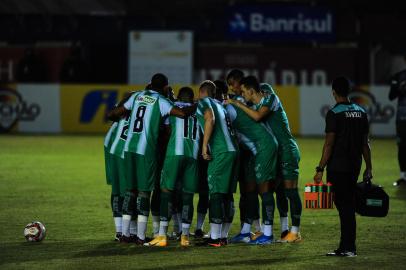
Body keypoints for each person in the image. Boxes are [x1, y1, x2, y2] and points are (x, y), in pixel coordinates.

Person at [107, 73, 195, 245]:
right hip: (145, 150)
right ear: (164, 87)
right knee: (144, 192)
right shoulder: (162, 101)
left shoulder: (137, 95)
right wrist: (196, 105)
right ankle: (140, 236)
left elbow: (114, 113)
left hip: (128, 148)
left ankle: (125, 234)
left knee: (129, 191)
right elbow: (182, 114)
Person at [226, 76, 302, 243]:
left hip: (287, 149)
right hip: (275, 151)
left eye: (244, 90)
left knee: (289, 192)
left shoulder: (270, 98)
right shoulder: (254, 103)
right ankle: (274, 230)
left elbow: (258, 116)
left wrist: (237, 104)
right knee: (270, 190)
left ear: (252, 90)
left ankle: (294, 231)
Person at [314, 76, 372, 257]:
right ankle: (345, 246)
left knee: (345, 206)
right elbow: (365, 144)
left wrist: (320, 168)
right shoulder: (361, 111)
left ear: (334, 92)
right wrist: (368, 167)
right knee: (347, 205)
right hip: (355, 165)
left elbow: (329, 144)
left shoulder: (334, 113)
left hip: (338, 167)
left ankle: (348, 248)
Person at [223, 84, 279, 245]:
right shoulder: (234, 106)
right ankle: (246, 231)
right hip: (258, 149)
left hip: (264, 147)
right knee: (251, 191)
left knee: (264, 190)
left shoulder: (230, 108)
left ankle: (267, 234)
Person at [146, 86, 201, 247]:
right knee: (188, 196)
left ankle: (162, 235)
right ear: (191, 98)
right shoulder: (198, 110)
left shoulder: (172, 108)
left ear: (179, 98)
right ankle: (185, 236)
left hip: (174, 154)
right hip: (193, 155)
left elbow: (166, 131)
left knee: (166, 192)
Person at [196, 80, 239, 247]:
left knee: (215, 194)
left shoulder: (204, 102)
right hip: (234, 150)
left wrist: (204, 145)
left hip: (221, 152)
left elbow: (210, 119)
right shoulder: (220, 105)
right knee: (227, 195)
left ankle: (214, 238)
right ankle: (222, 236)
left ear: (201, 92)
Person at [389, 61, 406, 186]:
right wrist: (399, 88)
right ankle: (403, 176)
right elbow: (391, 96)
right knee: (402, 146)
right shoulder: (399, 76)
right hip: (402, 117)